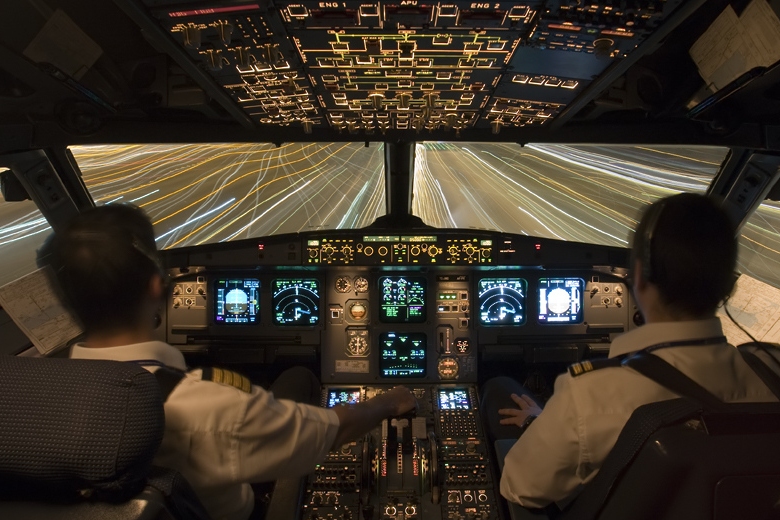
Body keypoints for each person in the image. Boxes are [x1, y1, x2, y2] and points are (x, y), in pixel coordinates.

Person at [43, 203, 417, 520]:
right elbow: (328, 433)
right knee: (300, 376)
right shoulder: (210, 406)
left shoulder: (31, 399)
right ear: (157, 287)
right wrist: (389, 401)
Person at [484, 193, 780, 510]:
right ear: (729, 288)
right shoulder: (772, 370)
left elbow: (520, 487)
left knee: (499, 387)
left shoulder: (591, 393)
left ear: (637, 277)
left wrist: (541, 425)